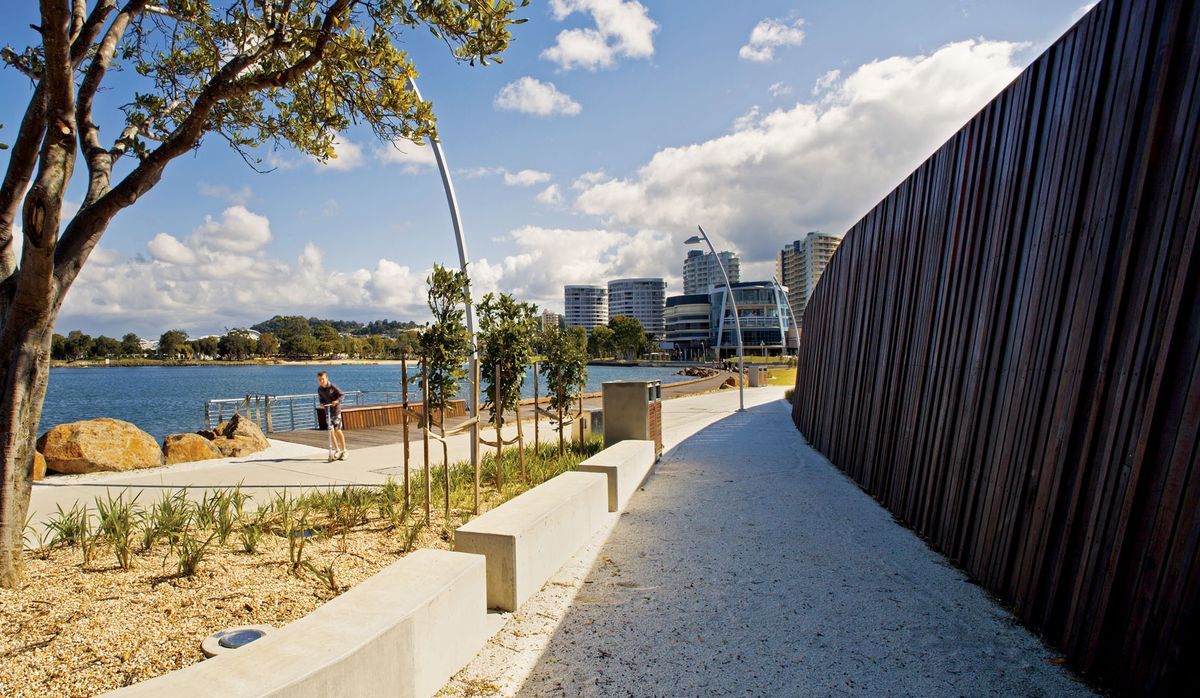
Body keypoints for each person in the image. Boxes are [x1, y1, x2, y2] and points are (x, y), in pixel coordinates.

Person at [317, 371, 347, 460]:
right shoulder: (319, 389)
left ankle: (344, 450)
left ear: (326, 378)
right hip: (328, 411)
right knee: (331, 431)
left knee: (338, 429)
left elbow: (342, 395)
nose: (321, 381)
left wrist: (336, 401)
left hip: (336, 411)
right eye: (319, 380)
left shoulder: (333, 387)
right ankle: (337, 450)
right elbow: (321, 399)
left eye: (323, 379)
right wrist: (322, 404)